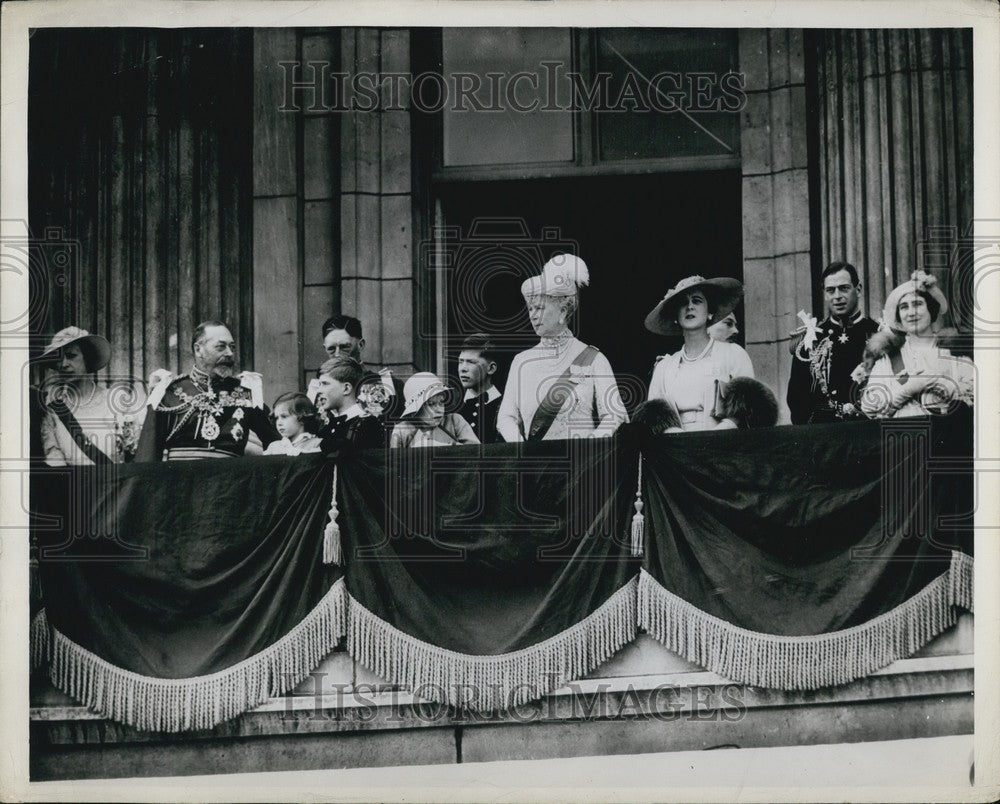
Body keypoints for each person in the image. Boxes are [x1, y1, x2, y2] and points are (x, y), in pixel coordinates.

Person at [497, 255, 627, 442]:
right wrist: (520, 449)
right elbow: (506, 417)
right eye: (530, 309)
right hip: (534, 467)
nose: (532, 316)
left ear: (563, 311)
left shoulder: (594, 359)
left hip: (581, 465)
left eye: (539, 308)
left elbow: (615, 414)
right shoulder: (521, 362)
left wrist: (590, 445)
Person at [134, 320, 279, 461]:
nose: (229, 353)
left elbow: (276, 444)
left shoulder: (245, 393)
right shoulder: (168, 392)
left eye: (232, 347)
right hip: (181, 482)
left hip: (230, 482)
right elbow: (147, 455)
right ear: (198, 350)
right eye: (221, 347)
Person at [645, 275, 754, 431]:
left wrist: (722, 431)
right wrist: (672, 434)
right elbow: (652, 418)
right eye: (683, 303)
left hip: (724, 448)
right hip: (676, 452)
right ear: (676, 316)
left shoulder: (733, 355)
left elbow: (749, 406)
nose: (689, 307)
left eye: (697, 300)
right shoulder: (664, 368)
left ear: (710, 311)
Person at [859, 271, 974, 418]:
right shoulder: (889, 359)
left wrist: (943, 385)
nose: (911, 313)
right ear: (899, 316)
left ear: (931, 309)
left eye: (917, 304)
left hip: (949, 437)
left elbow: (978, 398)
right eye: (904, 307)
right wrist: (909, 388)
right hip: (902, 437)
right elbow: (869, 408)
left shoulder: (954, 354)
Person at [786, 261, 880, 423]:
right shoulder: (811, 339)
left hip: (868, 429)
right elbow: (797, 398)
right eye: (831, 290)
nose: (837, 296)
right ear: (824, 294)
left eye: (844, 288)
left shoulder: (877, 334)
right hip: (823, 432)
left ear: (858, 290)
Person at [38, 326, 144, 465]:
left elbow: (136, 454)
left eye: (71, 356)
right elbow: (55, 461)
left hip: (117, 484)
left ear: (87, 358)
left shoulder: (116, 401)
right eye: (58, 359)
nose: (63, 364)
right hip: (74, 485)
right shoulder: (53, 410)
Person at [317, 314, 401, 419]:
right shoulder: (316, 391)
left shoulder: (387, 385)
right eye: (331, 349)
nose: (337, 354)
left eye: (344, 347)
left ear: (360, 345)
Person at [314, 356, 386, 451]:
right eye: (319, 385)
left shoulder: (367, 424)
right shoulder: (329, 426)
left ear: (346, 388)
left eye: (325, 384)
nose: (319, 390)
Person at [390, 372, 479, 448]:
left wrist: (446, 446)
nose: (439, 410)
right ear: (415, 411)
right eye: (431, 404)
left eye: (441, 402)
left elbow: (476, 452)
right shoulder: (403, 430)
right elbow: (394, 463)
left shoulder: (454, 421)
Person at [457, 333, 503, 444]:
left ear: (491, 368)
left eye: (471, 362)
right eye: (460, 361)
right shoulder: (451, 408)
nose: (463, 369)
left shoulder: (506, 406)